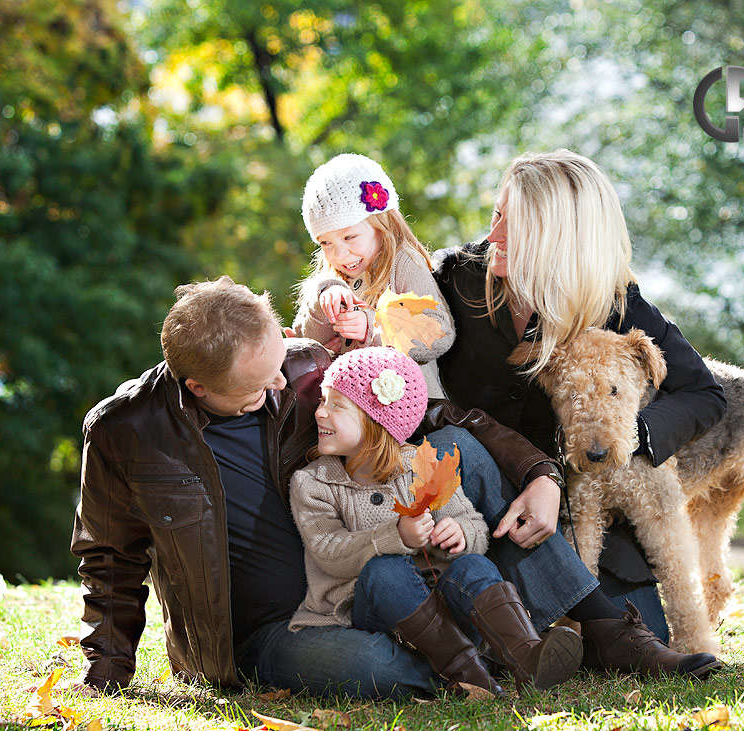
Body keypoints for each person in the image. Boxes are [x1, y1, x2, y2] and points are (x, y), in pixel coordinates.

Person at [70, 276, 585, 699]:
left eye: (278, 366)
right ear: (198, 387)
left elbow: (422, 412)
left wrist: (541, 472)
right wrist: (106, 674)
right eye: (257, 385)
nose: (278, 385)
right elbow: (111, 559)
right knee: (375, 667)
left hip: (363, 584)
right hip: (267, 632)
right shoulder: (127, 431)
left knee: (456, 445)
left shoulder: (304, 368)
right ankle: (482, 663)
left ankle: (563, 632)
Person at [433, 149, 729, 663]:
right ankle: (563, 619)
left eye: (513, 223)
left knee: (641, 635)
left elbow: (704, 394)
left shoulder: (617, 303)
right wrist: (539, 475)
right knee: (461, 447)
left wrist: (616, 434)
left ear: (560, 239)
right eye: (497, 213)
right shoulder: (452, 279)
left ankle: (565, 620)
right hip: (477, 494)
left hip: (583, 512)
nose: (492, 233)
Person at [289, 347, 581, 696]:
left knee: (473, 564)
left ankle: (526, 655)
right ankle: (469, 673)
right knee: (386, 572)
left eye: (337, 404)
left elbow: (473, 524)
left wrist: (461, 533)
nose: (320, 412)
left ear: (375, 420)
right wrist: (394, 536)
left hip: (446, 612)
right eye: (323, 400)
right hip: (377, 615)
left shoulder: (422, 465)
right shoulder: (313, 483)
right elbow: (328, 551)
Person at [294, 153, 454, 398]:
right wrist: (324, 294)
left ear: (382, 223)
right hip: (349, 415)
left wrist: (372, 328)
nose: (339, 254)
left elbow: (438, 333)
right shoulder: (331, 279)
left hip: (409, 410)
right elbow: (309, 340)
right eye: (325, 243)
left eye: (349, 237)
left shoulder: (401, 262)